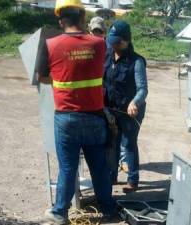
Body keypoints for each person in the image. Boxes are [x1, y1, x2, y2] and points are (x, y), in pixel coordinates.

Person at [36, 0, 116, 223]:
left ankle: (60, 212)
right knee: (98, 166)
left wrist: (62, 78)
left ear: (61, 20)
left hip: (66, 118)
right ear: (83, 18)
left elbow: (41, 77)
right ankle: (108, 208)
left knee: (68, 167)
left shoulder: (50, 45)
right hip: (94, 116)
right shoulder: (100, 44)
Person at [103, 20, 148, 193]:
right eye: (111, 41)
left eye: (116, 41)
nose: (112, 45)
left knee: (128, 144)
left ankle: (132, 180)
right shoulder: (107, 56)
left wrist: (134, 102)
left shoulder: (136, 62)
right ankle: (111, 176)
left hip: (130, 112)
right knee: (112, 143)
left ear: (125, 41)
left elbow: (143, 89)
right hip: (111, 110)